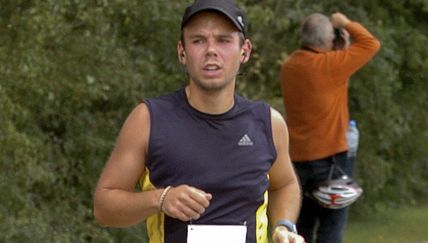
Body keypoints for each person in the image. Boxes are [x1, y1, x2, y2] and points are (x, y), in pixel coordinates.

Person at [93, 0, 304, 242]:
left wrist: (284, 226)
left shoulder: (268, 122)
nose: (211, 50)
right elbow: (104, 208)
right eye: (198, 40)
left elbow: (284, 185)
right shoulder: (149, 119)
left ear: (244, 51)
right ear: (182, 52)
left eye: (224, 40)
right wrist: (160, 199)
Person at [279, 12, 380, 243]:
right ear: (327, 40)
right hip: (331, 162)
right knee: (330, 230)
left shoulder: (290, 66)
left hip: (298, 162)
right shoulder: (331, 65)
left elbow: (324, 84)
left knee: (301, 228)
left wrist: (337, 51)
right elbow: (371, 44)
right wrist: (344, 22)